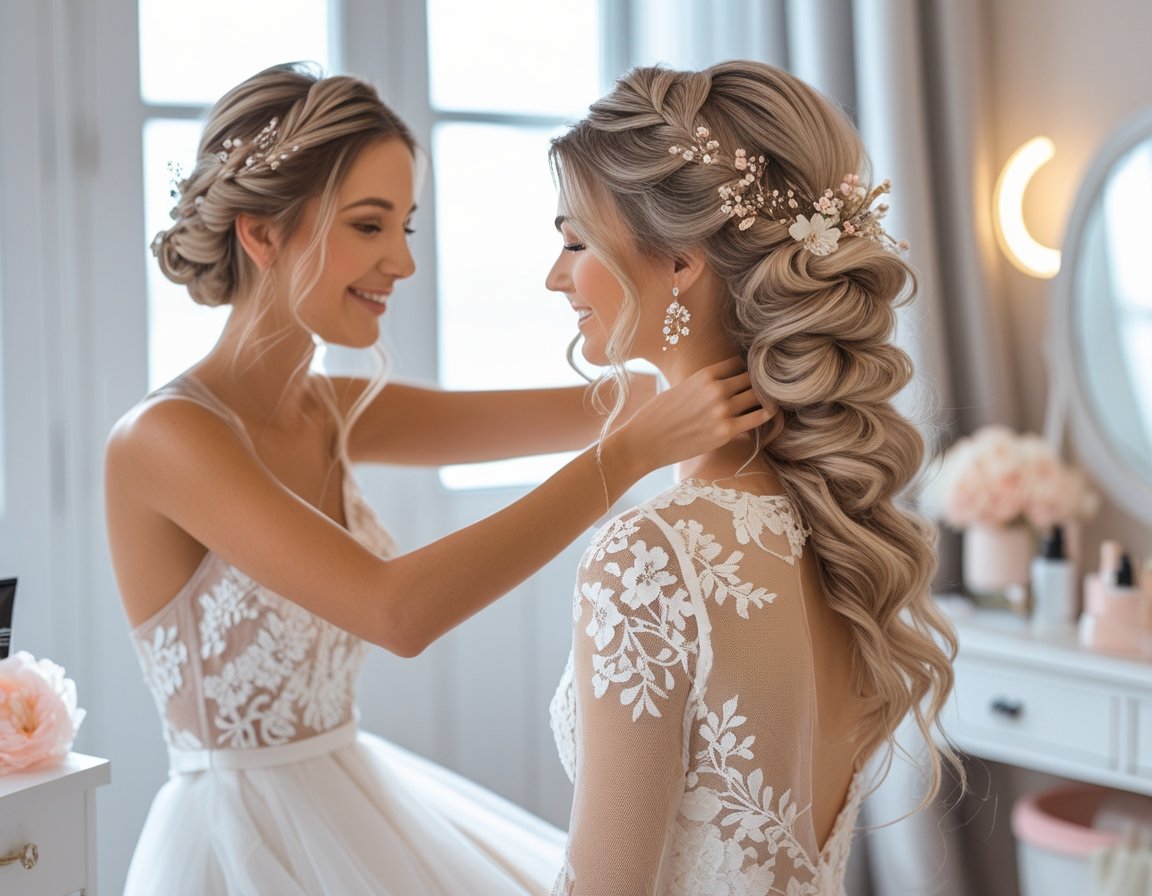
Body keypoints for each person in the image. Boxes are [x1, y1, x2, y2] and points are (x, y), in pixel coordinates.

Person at [104, 62, 770, 896]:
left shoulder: (333, 409)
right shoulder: (162, 441)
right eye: (369, 226)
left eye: (406, 228)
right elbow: (396, 612)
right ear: (262, 234)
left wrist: (720, 333)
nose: (402, 264)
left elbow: (607, 399)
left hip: (352, 800)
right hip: (237, 843)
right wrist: (630, 455)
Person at [543, 60, 961, 895]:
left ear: (680, 266)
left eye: (575, 241)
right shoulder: (836, 525)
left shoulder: (652, 556)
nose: (556, 276)